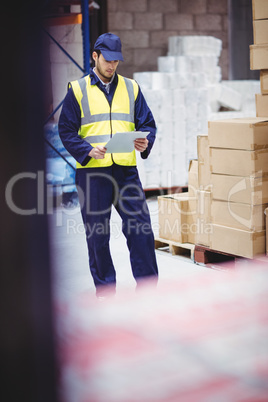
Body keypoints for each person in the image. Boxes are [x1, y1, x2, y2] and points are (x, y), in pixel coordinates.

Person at [59, 32, 158, 297]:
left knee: (141, 232)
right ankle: (105, 296)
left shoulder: (131, 87)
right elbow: (66, 131)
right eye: (107, 60)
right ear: (95, 56)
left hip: (126, 172)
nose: (112, 66)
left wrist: (145, 142)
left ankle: (148, 292)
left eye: (116, 61)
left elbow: (147, 123)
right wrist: (87, 149)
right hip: (92, 174)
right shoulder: (77, 90)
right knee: (98, 238)